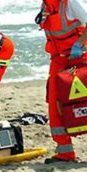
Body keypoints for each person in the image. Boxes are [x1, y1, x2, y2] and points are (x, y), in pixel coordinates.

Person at [35, 0, 87, 164]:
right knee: (54, 103)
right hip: (58, 61)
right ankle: (65, 153)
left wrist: (79, 44)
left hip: (79, 58)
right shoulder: (46, 5)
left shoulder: (70, 2)